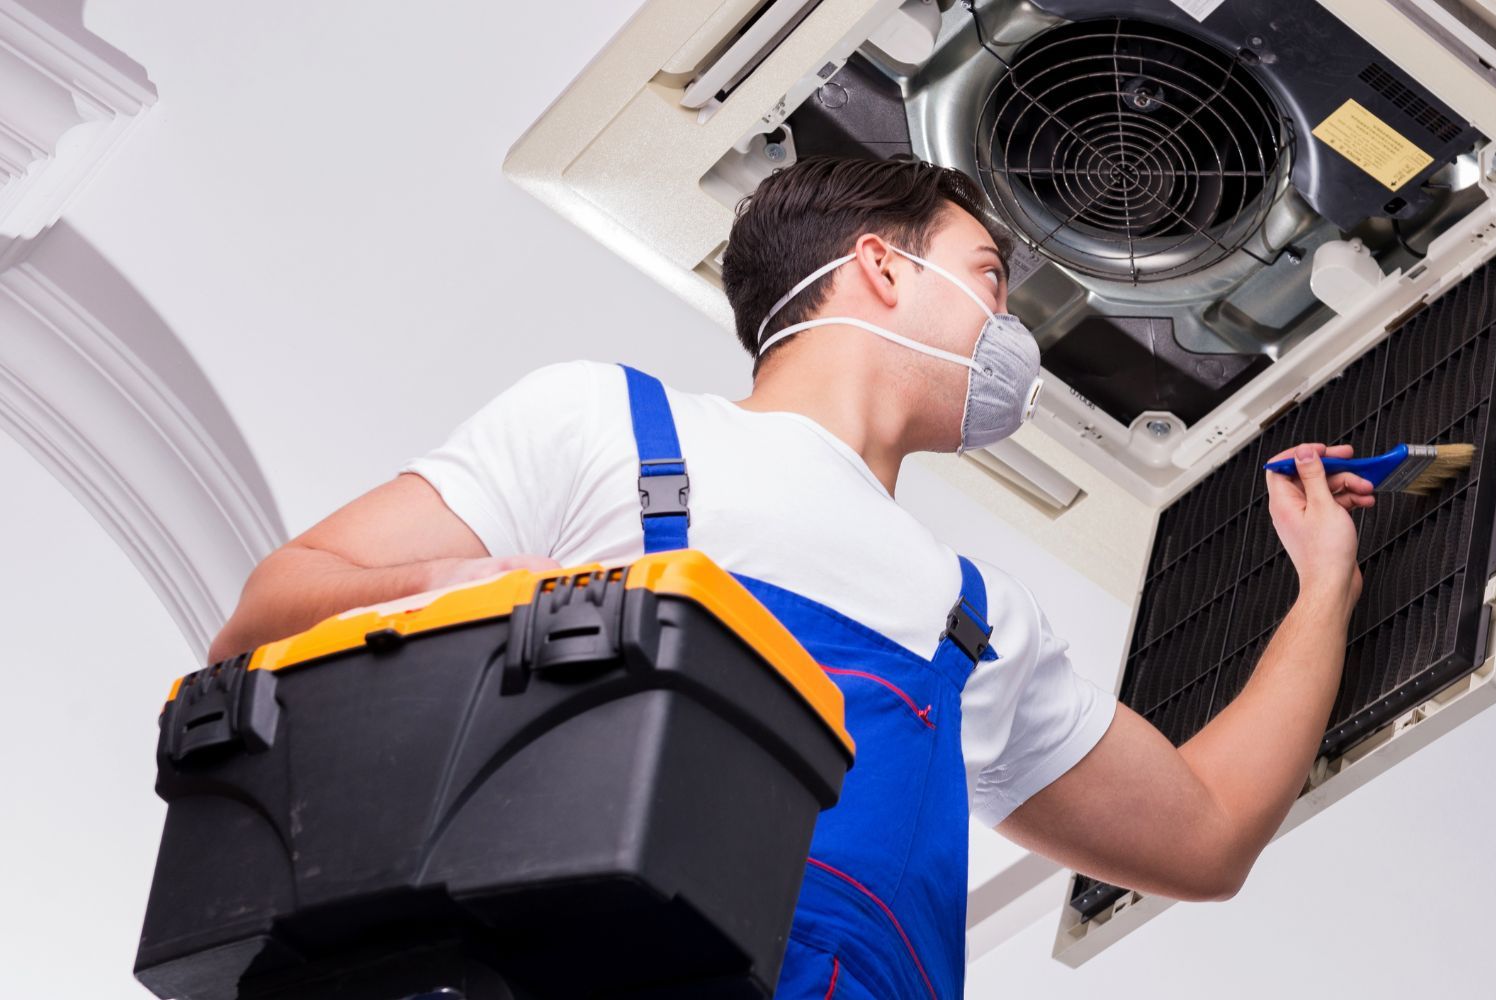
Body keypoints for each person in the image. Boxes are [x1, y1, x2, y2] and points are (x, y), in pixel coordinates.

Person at [206, 155, 1375, 999]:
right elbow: (271, 609)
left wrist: (1322, 585)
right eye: (985, 276)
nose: (1007, 328)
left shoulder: (977, 622)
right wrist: (520, 593)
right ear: (878, 267)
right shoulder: (610, 425)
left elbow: (1206, 833)